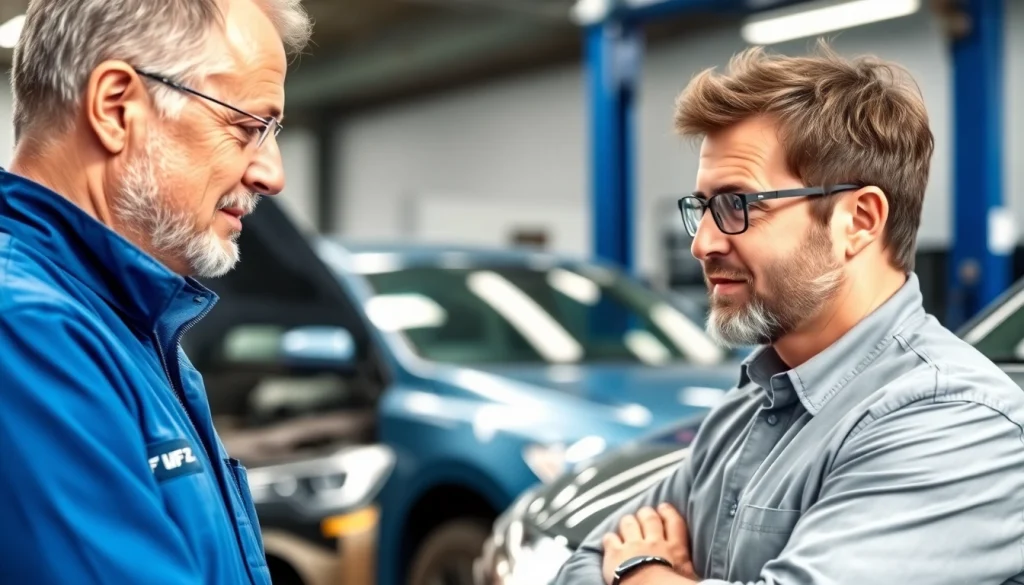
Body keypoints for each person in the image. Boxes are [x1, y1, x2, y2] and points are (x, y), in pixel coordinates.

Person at [553, 41, 1024, 585]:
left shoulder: (956, 422)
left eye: (737, 205)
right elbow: (582, 564)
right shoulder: (749, 406)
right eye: (701, 208)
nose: (702, 243)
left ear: (859, 220)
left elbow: (620, 558)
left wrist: (642, 572)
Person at [0, 0, 310, 583]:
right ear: (116, 108)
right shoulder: (27, 330)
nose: (272, 173)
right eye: (246, 128)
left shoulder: (127, 324)